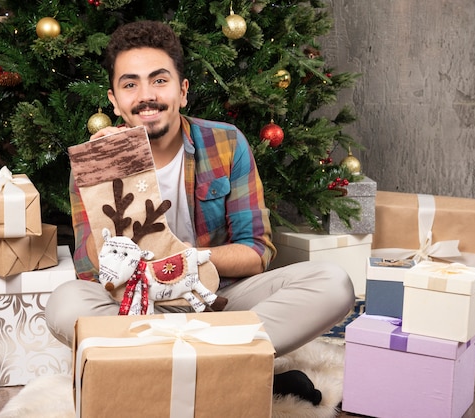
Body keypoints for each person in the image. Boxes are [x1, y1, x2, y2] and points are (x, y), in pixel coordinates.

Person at [46, 20, 355, 402]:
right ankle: (227, 365)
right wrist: (111, 171)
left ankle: (161, 365)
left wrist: (188, 262)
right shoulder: (94, 165)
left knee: (333, 283)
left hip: (219, 302)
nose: (146, 95)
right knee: (64, 303)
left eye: (159, 80)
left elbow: (257, 252)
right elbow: (91, 268)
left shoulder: (226, 143)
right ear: (114, 100)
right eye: (131, 84)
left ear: (183, 91)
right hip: (140, 310)